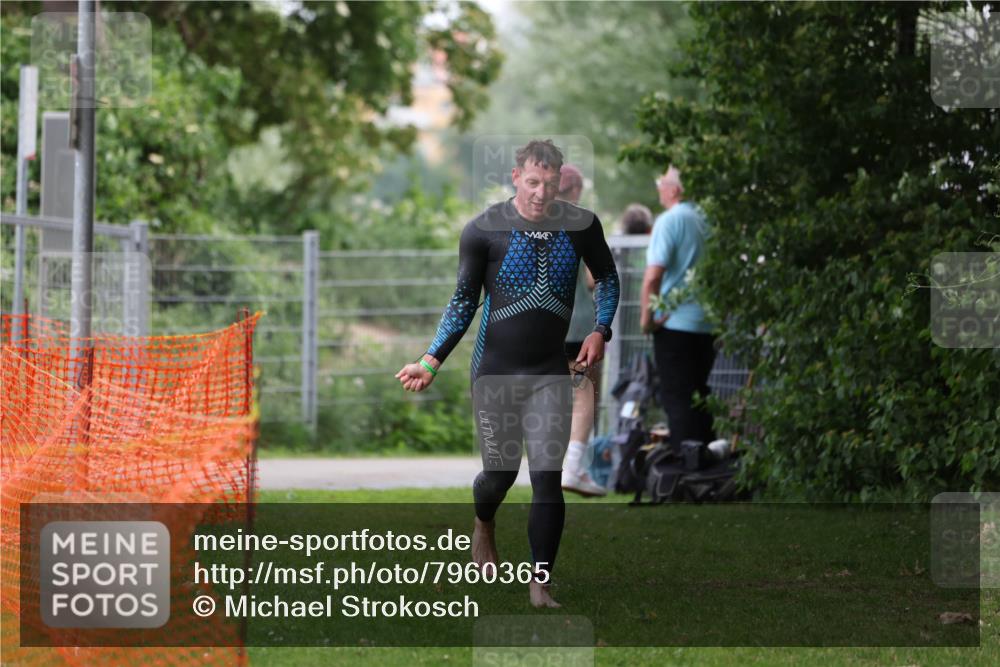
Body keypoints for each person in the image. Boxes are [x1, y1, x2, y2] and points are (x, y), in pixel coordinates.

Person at [395, 140, 620, 609]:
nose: (541, 193)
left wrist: (601, 329)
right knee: (498, 475)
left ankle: (541, 585)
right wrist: (430, 361)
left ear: (561, 183)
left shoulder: (581, 225)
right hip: (494, 372)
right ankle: (484, 523)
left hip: (549, 373)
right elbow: (462, 303)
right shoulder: (483, 231)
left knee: (546, 477)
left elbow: (609, 278)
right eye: (533, 182)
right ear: (516, 177)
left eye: (551, 184)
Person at [639, 166, 716, 451]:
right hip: (706, 324)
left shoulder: (670, 221)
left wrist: (647, 320)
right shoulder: (707, 220)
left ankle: (687, 472)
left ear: (674, 189)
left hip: (673, 324)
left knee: (678, 399)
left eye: (661, 182)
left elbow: (653, 276)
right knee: (700, 397)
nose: (659, 187)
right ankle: (706, 467)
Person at [557, 164, 608, 497]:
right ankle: (573, 467)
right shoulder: (580, 222)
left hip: (545, 327)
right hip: (578, 325)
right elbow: (593, 279)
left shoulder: (535, 221)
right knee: (584, 392)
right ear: (574, 189)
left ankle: (553, 467)